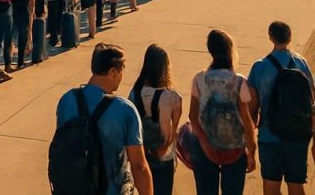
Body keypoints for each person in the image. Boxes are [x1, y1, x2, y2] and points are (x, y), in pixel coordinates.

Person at [54, 43, 153, 195]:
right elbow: (139, 166)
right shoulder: (125, 110)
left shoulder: (67, 100)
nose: (121, 77)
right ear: (112, 72)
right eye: (121, 71)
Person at [246, 21, 315, 195]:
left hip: (269, 136)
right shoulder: (301, 63)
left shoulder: (259, 66)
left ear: (271, 37)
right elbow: (312, 99)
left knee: (270, 186)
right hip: (298, 136)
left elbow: (251, 107)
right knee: (296, 186)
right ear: (289, 38)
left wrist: (250, 141)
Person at [189, 29, 257, 195]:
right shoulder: (239, 81)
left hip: (206, 150)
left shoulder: (199, 79)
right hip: (235, 149)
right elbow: (247, 121)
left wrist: (204, 142)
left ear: (210, 51)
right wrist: (252, 151)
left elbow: (192, 116)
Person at [129, 44, 183, 195]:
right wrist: (164, 148)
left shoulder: (135, 92)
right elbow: (169, 131)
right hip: (162, 155)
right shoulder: (169, 96)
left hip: (141, 152)